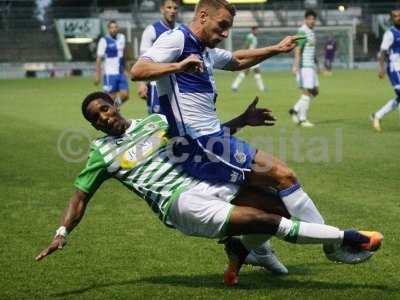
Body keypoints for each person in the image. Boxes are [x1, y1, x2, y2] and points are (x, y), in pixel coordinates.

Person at [36, 92, 383, 287]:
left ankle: (239, 246)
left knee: (276, 204)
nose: (103, 118)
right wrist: (62, 231)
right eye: (95, 119)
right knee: (266, 220)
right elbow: (81, 196)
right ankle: (346, 238)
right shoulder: (101, 152)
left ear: (115, 103)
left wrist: (241, 122)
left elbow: (200, 140)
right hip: (179, 203)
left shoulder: (156, 123)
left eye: (104, 109)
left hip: (205, 184)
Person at [131, 0, 325, 231]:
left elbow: (237, 60)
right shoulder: (177, 39)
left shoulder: (204, 49)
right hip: (200, 144)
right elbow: (138, 70)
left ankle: (247, 251)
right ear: (203, 16)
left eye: (228, 27)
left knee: (269, 199)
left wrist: (276, 48)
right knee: (284, 176)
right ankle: (336, 240)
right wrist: (179, 67)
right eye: (222, 25)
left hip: (212, 139)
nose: (225, 33)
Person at [137, 0, 180, 114]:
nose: (172, 11)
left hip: (178, 84)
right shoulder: (152, 30)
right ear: (162, 9)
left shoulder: (181, 30)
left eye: (175, 8)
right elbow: (143, 58)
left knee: (178, 124)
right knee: (158, 124)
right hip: (157, 84)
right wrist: (141, 84)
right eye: (169, 7)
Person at [371, 9, 400, 132]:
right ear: (392, 19)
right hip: (395, 68)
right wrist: (381, 68)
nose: (398, 18)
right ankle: (377, 115)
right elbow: (382, 52)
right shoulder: (390, 34)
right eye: (395, 16)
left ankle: (377, 115)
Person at [289, 9, 319, 128]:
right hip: (304, 67)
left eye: (313, 19)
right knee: (307, 92)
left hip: (311, 66)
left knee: (315, 91)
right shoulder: (302, 31)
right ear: (305, 19)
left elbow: (311, 50)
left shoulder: (311, 32)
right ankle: (302, 119)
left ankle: (295, 109)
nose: (312, 21)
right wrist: (296, 65)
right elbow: (298, 49)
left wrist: (318, 64)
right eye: (310, 19)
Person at [95, 20, 129, 106]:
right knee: (110, 98)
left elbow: (123, 55)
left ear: (118, 28)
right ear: (108, 29)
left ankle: (114, 108)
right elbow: (99, 58)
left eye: (115, 27)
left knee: (125, 95)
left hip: (121, 73)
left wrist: (126, 69)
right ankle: (110, 112)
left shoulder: (122, 37)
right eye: (111, 28)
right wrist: (98, 75)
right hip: (110, 74)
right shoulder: (104, 40)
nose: (114, 29)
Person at [231, 26, 267, 92]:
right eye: (256, 30)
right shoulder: (250, 37)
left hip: (253, 56)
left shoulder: (254, 37)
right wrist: (244, 55)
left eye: (257, 30)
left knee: (251, 71)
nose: (257, 32)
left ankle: (235, 86)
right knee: (251, 71)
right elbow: (246, 46)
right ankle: (262, 88)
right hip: (250, 56)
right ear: (253, 30)